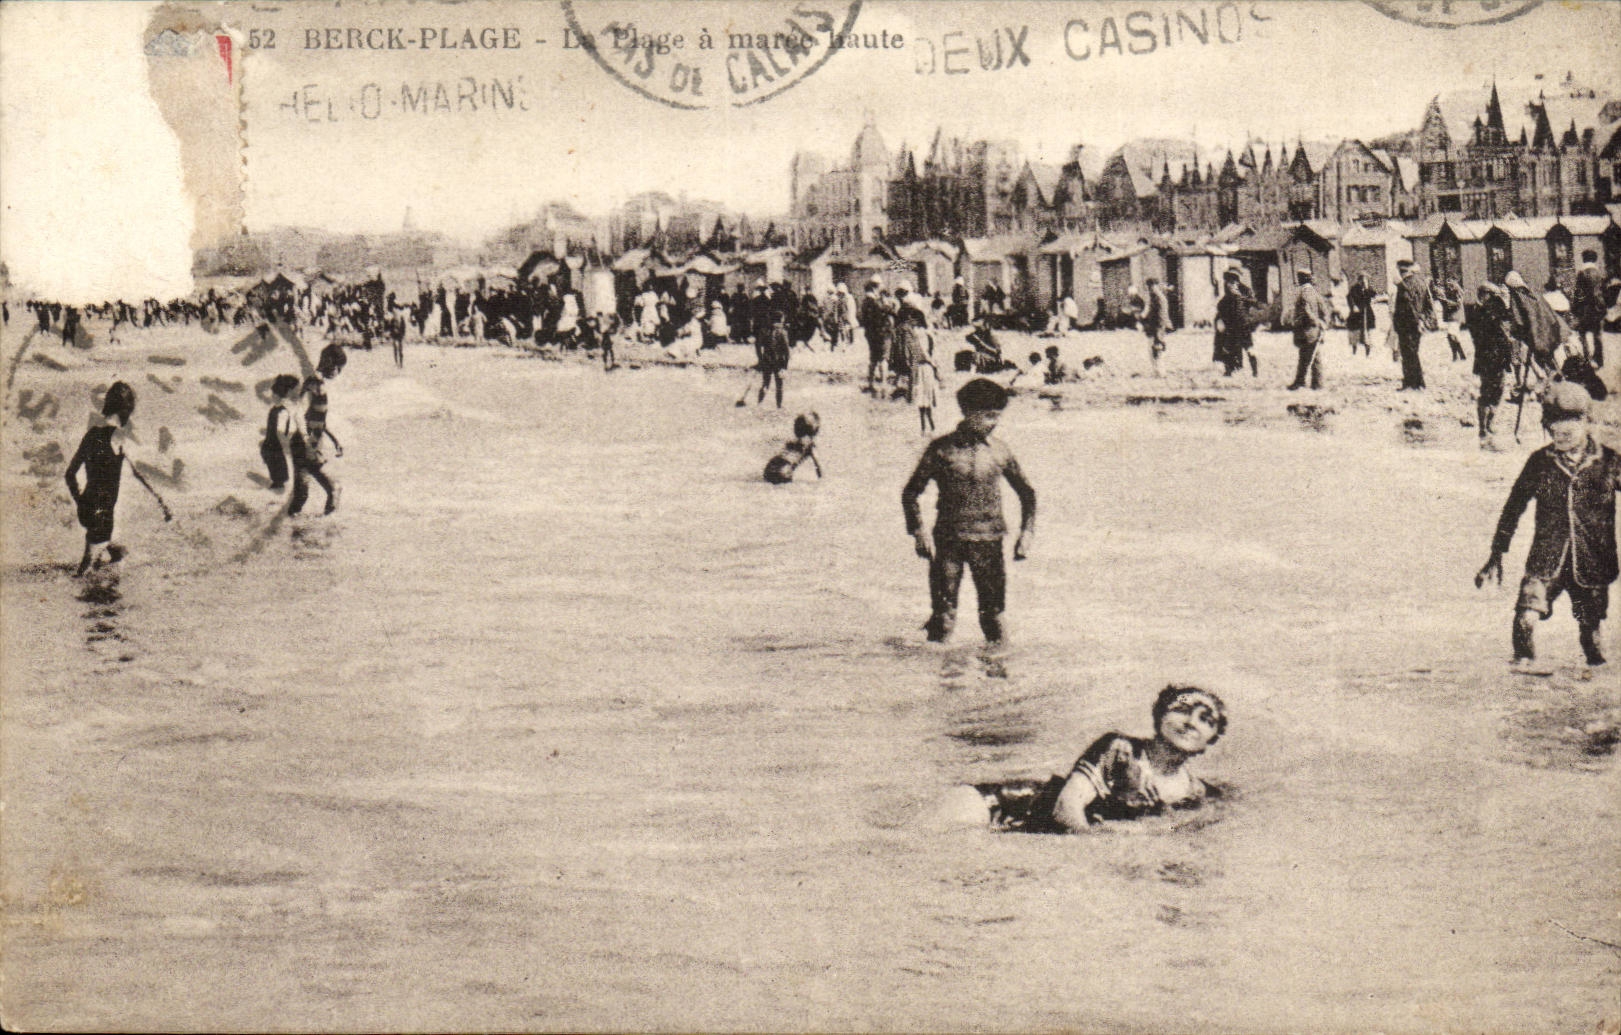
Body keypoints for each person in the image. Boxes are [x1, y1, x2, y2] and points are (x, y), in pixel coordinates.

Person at [1476, 381, 1620, 668]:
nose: (1561, 432)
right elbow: (1513, 507)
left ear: (1586, 422)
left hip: (1592, 561)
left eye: (1570, 425)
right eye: (1554, 426)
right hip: (1545, 559)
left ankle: (1592, 683)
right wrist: (1496, 553)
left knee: (1591, 636)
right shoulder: (1539, 463)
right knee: (1525, 618)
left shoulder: (1608, 461)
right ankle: (1522, 670)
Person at [973, 685, 1228, 833]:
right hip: (1000, 805)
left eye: (1206, 720)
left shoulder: (1199, 794)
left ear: (1212, 738)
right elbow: (1066, 808)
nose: (1191, 723)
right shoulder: (1119, 749)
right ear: (1160, 715)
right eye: (1181, 710)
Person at [901, 377, 1036, 644]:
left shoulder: (1000, 451)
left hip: (990, 541)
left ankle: (998, 681)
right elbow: (910, 493)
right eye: (988, 416)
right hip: (949, 541)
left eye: (997, 416)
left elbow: (1027, 493)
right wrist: (918, 531)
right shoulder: (941, 449)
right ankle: (943, 681)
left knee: (993, 616)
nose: (994, 422)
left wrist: (1027, 533)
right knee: (943, 616)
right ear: (968, 412)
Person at [64, 382, 171, 576]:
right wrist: (160, 499)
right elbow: (139, 473)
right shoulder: (119, 438)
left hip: (87, 510)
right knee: (83, 572)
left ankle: (106, 584)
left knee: (119, 554)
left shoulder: (91, 435)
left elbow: (69, 474)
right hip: (103, 513)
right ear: (126, 409)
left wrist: (81, 502)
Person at [290, 344, 345, 516]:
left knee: (301, 495)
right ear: (329, 362)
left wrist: (335, 440)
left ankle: (290, 530)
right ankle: (327, 530)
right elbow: (300, 412)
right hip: (307, 441)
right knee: (331, 488)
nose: (338, 373)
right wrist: (307, 440)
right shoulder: (316, 382)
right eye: (338, 368)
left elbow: (316, 418)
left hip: (308, 440)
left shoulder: (315, 382)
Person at [1469, 283, 1515, 447]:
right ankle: (1485, 425)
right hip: (1492, 358)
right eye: (1492, 296)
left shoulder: (1482, 311)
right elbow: (1503, 333)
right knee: (1491, 392)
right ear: (1486, 295)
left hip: (1489, 358)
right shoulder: (1484, 312)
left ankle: (1486, 425)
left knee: (1493, 391)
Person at [1392, 259, 1432, 391]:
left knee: (1409, 354)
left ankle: (1414, 383)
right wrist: (1422, 320)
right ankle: (1415, 383)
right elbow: (1428, 305)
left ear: (1403, 271)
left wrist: (1399, 324)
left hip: (1407, 325)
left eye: (1400, 271)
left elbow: (1407, 306)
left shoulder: (1404, 286)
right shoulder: (1421, 283)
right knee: (1413, 352)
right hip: (1417, 324)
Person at [1288, 268, 1330, 391]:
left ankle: (1308, 383)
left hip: (1307, 329)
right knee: (1310, 356)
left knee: (1308, 356)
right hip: (1313, 329)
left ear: (1302, 278)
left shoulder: (1305, 291)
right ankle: (1312, 383)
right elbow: (1324, 309)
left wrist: (1316, 322)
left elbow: (1306, 311)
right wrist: (1323, 322)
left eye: (1299, 276)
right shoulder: (1314, 292)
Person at [259, 374, 302, 491]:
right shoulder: (282, 409)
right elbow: (281, 430)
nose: (272, 397)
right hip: (275, 442)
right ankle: (279, 483)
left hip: (274, 442)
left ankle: (279, 483)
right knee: (275, 460)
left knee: (275, 459)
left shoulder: (281, 408)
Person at [1213, 268, 1260, 377]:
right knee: (1233, 347)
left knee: (1241, 348)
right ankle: (1232, 370)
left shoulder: (1240, 293)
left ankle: (1252, 371)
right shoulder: (1235, 294)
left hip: (1238, 326)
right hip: (1238, 325)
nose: (1229, 284)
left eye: (1231, 281)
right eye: (1228, 281)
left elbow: (1252, 303)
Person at [763, 412, 823, 484]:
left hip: (770, 467)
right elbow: (818, 467)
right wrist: (822, 481)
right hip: (784, 470)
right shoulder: (810, 445)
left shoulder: (791, 442)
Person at [1570, 250, 1606, 367]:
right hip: (1598, 308)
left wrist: (1574, 307)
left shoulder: (1582, 274)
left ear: (1584, 259)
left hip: (1586, 309)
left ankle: (1587, 359)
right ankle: (1599, 358)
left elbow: (1578, 293)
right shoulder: (1599, 273)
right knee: (1597, 334)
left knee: (1583, 333)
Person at [859, 278, 892, 395]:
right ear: (875, 287)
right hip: (882, 333)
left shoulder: (864, 302)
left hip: (870, 334)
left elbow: (862, 319)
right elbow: (886, 312)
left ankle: (871, 383)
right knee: (883, 359)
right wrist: (887, 305)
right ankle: (883, 385)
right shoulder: (877, 302)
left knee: (873, 359)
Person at [1138, 278, 1170, 376]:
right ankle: (1156, 370)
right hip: (1152, 327)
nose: (1151, 288)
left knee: (1158, 349)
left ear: (1156, 286)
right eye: (1149, 287)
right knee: (1152, 349)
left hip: (1157, 327)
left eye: (1152, 286)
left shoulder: (1159, 298)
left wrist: (1159, 330)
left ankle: (1161, 371)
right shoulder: (1152, 298)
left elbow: (1161, 316)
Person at [1433, 276, 1466, 361]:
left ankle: (1457, 355)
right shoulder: (1448, 291)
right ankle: (1461, 355)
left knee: (1451, 335)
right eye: (1448, 284)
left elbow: (1458, 304)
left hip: (1456, 316)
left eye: (1451, 283)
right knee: (1452, 336)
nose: (1449, 286)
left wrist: (1446, 301)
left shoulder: (1458, 292)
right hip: (1451, 316)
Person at [915, 333, 940, 435]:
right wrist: (934, 363)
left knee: (924, 397)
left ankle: (926, 427)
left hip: (923, 368)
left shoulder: (922, 335)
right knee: (924, 396)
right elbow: (925, 352)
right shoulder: (923, 335)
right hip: (924, 368)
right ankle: (928, 427)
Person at [1347, 272, 1377, 357]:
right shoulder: (1354, 289)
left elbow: (1373, 295)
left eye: (1366, 279)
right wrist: (1353, 306)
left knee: (1367, 332)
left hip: (1367, 312)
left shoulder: (1368, 288)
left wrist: (1367, 289)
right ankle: (1354, 349)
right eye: (1362, 279)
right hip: (1357, 313)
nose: (1363, 281)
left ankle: (1368, 349)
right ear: (1359, 280)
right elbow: (1350, 298)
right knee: (1355, 331)